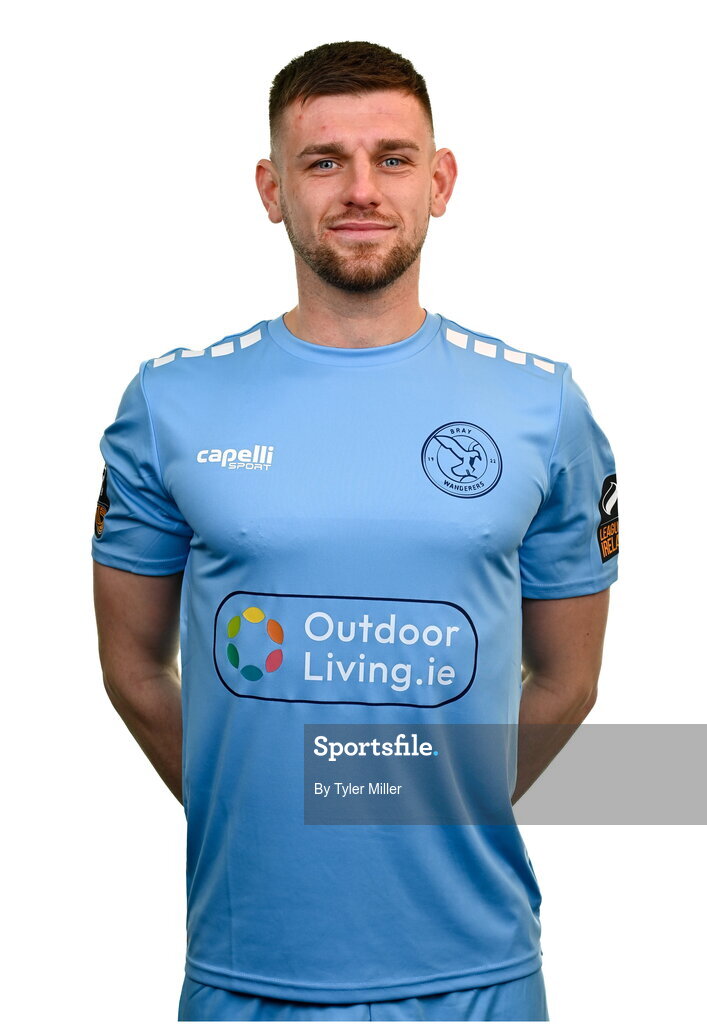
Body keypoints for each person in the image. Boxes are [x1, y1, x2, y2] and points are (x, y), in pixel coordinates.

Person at [92, 40, 619, 1023]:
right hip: (249, 973)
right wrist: (250, 806)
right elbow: (130, 670)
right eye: (323, 161)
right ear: (270, 188)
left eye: (392, 157)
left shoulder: (539, 407)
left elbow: (567, 679)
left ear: (440, 178)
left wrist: (412, 795)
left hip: (477, 979)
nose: (360, 190)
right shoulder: (172, 403)